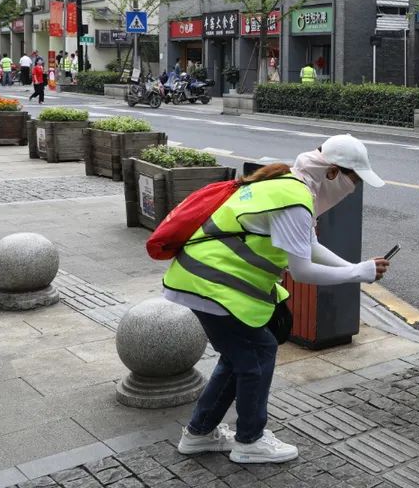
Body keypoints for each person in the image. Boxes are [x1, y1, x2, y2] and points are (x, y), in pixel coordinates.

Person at [167, 134, 390, 464]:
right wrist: (357, 273)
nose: (353, 189)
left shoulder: (288, 182)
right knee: (258, 352)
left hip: (201, 277)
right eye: (354, 180)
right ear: (333, 173)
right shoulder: (295, 198)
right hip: (211, 282)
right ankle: (249, 441)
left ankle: (199, 434)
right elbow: (302, 270)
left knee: (240, 356)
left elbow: (308, 246)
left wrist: (357, 268)